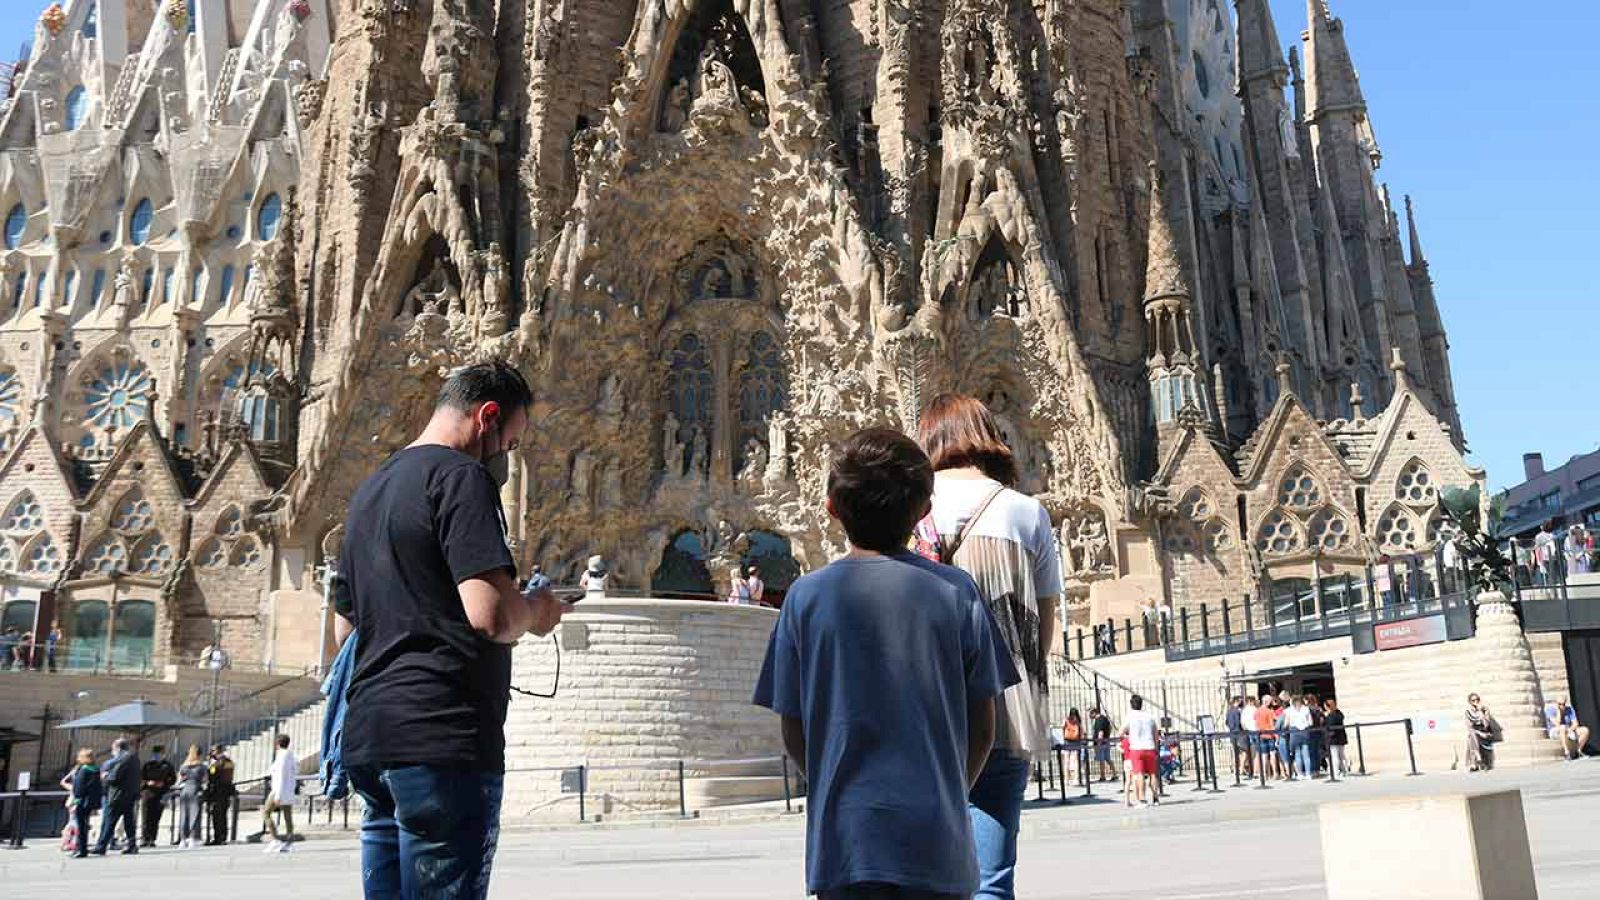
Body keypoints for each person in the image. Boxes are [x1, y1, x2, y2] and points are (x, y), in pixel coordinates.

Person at [335, 360, 569, 898]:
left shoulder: (368, 492)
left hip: (372, 739)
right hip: (442, 740)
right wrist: (537, 611)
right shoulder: (461, 477)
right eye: (510, 444)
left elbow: (345, 633)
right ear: (487, 417)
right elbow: (492, 616)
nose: (506, 458)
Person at [752, 428, 1016, 900]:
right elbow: (984, 724)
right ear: (925, 510)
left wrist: (832, 784)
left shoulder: (804, 598)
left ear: (831, 508)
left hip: (845, 846)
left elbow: (792, 726)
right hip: (936, 841)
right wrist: (952, 790)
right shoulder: (956, 592)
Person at [916, 394, 1062, 900]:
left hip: (926, 704)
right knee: (992, 877)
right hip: (1005, 707)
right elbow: (1044, 622)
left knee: (920, 873)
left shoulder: (912, 509)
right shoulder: (1027, 512)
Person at [94, 738, 141, 855]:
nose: (112, 752)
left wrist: (105, 776)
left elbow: (115, 777)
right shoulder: (134, 758)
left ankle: (101, 846)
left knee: (109, 821)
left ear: (117, 748)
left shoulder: (122, 758)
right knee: (129, 822)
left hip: (118, 795)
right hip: (130, 794)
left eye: (113, 749)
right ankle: (132, 845)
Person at [262, 734, 298, 853]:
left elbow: (281, 775)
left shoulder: (282, 756)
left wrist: (278, 795)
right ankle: (289, 842)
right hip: (288, 790)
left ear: (277, 743)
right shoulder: (291, 755)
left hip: (278, 790)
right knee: (287, 816)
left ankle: (275, 839)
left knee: (266, 812)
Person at [1122, 695, 1160, 807]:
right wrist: (1156, 748)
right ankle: (1155, 798)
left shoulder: (1129, 717)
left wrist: (1129, 736)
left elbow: (1121, 732)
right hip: (1150, 746)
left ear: (1131, 705)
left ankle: (1142, 799)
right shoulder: (1149, 716)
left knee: (1140, 774)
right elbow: (1155, 733)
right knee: (1153, 774)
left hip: (1137, 748)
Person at [64, 748, 102, 858]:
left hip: (82, 802)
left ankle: (81, 849)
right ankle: (82, 847)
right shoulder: (96, 770)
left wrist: (76, 802)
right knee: (84, 825)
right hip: (90, 802)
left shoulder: (84, 770)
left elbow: (79, 788)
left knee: (80, 826)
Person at [138, 743, 176, 847]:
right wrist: (148, 783)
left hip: (161, 793)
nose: (160, 755)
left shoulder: (167, 765)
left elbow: (173, 779)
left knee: (156, 817)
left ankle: (152, 839)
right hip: (148, 793)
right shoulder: (147, 765)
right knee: (146, 817)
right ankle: (144, 838)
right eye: (158, 753)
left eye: (161, 753)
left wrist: (164, 783)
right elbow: (140, 778)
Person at [176, 745, 207, 849]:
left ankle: (182, 839)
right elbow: (205, 780)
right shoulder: (201, 766)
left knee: (184, 815)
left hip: (184, 790)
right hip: (195, 789)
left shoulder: (184, 766)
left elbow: (179, 780)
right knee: (195, 814)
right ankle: (193, 838)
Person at [204, 745, 235, 845]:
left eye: (212, 750)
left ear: (217, 751)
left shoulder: (219, 762)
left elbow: (212, 774)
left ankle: (219, 837)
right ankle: (222, 836)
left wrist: (210, 764)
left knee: (218, 815)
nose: (211, 752)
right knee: (221, 815)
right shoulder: (228, 761)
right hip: (224, 792)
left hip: (218, 792)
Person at [1465, 693, 1498, 772]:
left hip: (1483, 731)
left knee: (1473, 738)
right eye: (1473, 700)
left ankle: (1476, 762)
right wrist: (1478, 733)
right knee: (1472, 736)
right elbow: (1469, 726)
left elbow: (1486, 724)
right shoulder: (1468, 712)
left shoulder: (1483, 710)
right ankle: (1476, 761)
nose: (1475, 702)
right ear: (1470, 702)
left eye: (1477, 700)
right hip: (1474, 731)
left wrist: (1482, 713)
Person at [1283, 696, 1314, 779]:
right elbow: (1311, 722)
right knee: (1306, 754)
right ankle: (1308, 774)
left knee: (1297, 754)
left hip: (1294, 731)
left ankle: (1300, 774)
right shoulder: (1306, 709)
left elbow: (1286, 723)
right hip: (1304, 731)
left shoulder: (1289, 710)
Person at [1255, 697, 1280, 780]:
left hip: (1261, 735)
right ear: (1267, 702)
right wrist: (1277, 737)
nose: (1271, 703)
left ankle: (1264, 774)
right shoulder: (1269, 711)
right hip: (1270, 735)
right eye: (1270, 701)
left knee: (1264, 755)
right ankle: (1275, 773)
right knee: (1272, 754)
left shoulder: (1257, 711)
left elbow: (1255, 723)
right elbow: (1272, 725)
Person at [1324, 698, 1349, 775]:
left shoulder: (1331, 716)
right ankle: (1343, 770)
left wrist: (1326, 717)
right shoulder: (1339, 714)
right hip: (1341, 737)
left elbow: (1330, 725)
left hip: (1333, 738)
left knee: (1335, 755)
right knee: (1341, 755)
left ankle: (1335, 771)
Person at [1091, 707, 1114, 781]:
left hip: (1101, 743)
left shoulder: (1099, 720)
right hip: (1106, 741)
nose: (1089, 716)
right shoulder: (1104, 718)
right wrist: (1107, 736)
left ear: (1093, 713)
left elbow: (1100, 733)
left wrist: (1098, 744)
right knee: (1107, 759)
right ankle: (1114, 774)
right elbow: (1110, 727)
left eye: (1090, 714)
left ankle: (1102, 776)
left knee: (1102, 760)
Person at [1062, 709, 1083, 785]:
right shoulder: (1078, 721)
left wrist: (1063, 737)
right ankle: (1076, 779)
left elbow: (1062, 728)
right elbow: (1081, 731)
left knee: (1066, 761)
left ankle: (1066, 779)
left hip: (1067, 740)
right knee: (1076, 760)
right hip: (1076, 741)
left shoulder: (1066, 720)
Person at [1239, 695, 1259, 777]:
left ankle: (1251, 770)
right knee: (1257, 752)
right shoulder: (1255, 709)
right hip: (1255, 731)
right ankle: (1256, 771)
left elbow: (1242, 723)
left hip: (1248, 732)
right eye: (1254, 700)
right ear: (1251, 701)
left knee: (1250, 752)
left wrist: (1246, 730)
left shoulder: (1244, 710)